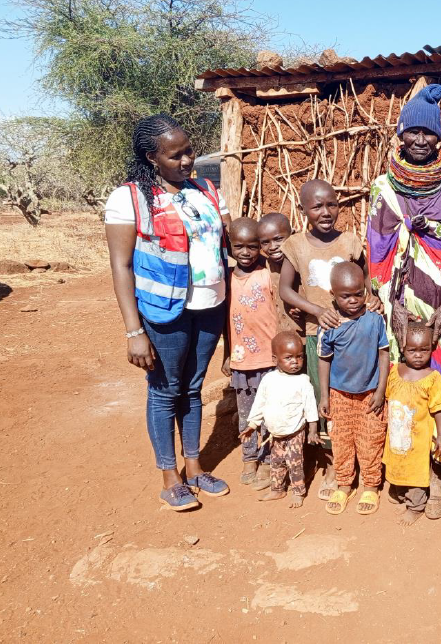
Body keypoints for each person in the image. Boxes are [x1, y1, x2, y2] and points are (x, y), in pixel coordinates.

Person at [104, 113, 230, 511]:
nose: (187, 160)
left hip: (208, 307)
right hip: (163, 312)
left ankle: (194, 466)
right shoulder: (129, 199)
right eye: (176, 155)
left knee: (192, 388)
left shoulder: (207, 190)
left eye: (189, 150)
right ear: (151, 157)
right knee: (164, 391)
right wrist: (133, 331)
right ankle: (169, 474)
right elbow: (121, 266)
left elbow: (223, 250)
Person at [366, 82, 441, 519]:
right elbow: (375, 245)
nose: (422, 141)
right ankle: (409, 479)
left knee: (439, 390)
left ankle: (439, 474)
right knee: (402, 391)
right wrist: (386, 300)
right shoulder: (383, 186)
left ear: (440, 139)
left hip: (440, 303)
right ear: (401, 136)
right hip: (395, 303)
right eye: (414, 133)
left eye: (430, 135)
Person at [279, 179, 382, 502]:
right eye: (317, 206)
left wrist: (374, 299)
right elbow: (286, 289)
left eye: (332, 204)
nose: (326, 212)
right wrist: (316, 309)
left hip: (356, 336)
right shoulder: (295, 245)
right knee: (325, 399)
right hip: (317, 334)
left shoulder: (350, 242)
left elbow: (366, 281)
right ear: (303, 210)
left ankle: (361, 464)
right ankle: (330, 464)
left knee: (353, 398)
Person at [318, 262, 390, 516]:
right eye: (345, 296)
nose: (353, 300)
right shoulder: (329, 324)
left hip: (370, 393)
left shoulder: (375, 319)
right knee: (341, 441)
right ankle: (344, 483)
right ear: (333, 295)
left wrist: (381, 391)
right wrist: (324, 394)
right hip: (339, 394)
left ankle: (371, 485)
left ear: (365, 290)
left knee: (371, 439)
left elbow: (384, 354)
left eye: (358, 293)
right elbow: (324, 359)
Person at [221, 217, 278, 488]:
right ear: (230, 245)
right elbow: (225, 320)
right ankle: (249, 457)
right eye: (239, 246)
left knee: (268, 411)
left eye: (252, 246)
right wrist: (227, 354)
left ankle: (267, 459)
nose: (245, 252)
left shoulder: (268, 274)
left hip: (269, 357)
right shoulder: (227, 278)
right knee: (247, 414)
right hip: (242, 359)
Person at [242, 331, 321, 508]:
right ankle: (277, 489)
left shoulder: (302, 381)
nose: (295, 362)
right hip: (275, 433)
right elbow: (259, 403)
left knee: (295, 462)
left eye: (299, 357)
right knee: (276, 461)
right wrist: (252, 424)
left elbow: (310, 408)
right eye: (288, 358)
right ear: (274, 359)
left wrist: (313, 431)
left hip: (295, 432)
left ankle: (298, 491)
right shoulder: (268, 380)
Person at [383, 321, 441, 526]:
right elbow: (389, 399)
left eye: (424, 350)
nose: (418, 355)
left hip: (418, 439)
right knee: (396, 462)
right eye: (412, 350)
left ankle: (416, 505)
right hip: (397, 433)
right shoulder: (395, 372)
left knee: (416, 469)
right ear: (403, 348)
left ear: (432, 348)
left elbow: (438, 408)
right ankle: (400, 492)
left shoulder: (432, 378)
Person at [257, 212, 304, 338]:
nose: (273, 247)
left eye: (278, 239)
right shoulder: (268, 264)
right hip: (282, 335)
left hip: (307, 334)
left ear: (292, 234)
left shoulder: (304, 262)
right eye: (265, 242)